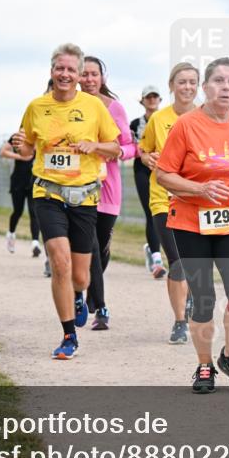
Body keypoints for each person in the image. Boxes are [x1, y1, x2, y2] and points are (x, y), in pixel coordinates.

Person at [156, 57, 229, 394]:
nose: (225, 87)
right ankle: (204, 366)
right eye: (218, 80)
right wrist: (199, 189)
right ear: (205, 87)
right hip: (191, 223)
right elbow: (163, 174)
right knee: (203, 298)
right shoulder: (186, 125)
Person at [12, 42, 121, 360]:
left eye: (71, 69)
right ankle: (69, 335)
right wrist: (20, 144)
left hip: (84, 196)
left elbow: (115, 148)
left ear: (79, 75)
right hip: (48, 193)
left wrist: (94, 146)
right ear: (51, 71)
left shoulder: (93, 106)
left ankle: (78, 294)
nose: (65, 74)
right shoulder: (36, 107)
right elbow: (27, 151)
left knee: (81, 276)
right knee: (60, 262)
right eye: (59, 68)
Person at [140, 62, 200, 344]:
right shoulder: (158, 119)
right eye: (182, 82)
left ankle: (191, 298)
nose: (187, 87)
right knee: (177, 261)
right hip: (163, 199)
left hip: (196, 200)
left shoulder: (206, 117)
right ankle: (179, 322)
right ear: (171, 86)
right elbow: (144, 149)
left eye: (192, 82)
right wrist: (146, 157)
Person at [80, 55, 137, 330]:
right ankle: (100, 307)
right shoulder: (70, 106)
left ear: (102, 78)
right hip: (79, 187)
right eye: (84, 74)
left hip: (108, 187)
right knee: (89, 247)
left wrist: (114, 152)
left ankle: (89, 293)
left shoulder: (114, 107)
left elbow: (130, 146)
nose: (89, 79)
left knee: (101, 249)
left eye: (94, 74)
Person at [131, 85, 164, 274]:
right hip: (143, 170)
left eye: (155, 96)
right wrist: (143, 153)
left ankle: (158, 251)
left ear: (160, 99)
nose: (152, 100)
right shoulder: (135, 124)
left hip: (164, 169)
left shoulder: (166, 119)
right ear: (142, 101)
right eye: (148, 97)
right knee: (151, 212)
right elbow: (130, 146)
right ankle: (157, 260)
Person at [1, 134, 42, 256]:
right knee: (18, 211)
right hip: (18, 181)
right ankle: (11, 234)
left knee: (34, 212)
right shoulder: (17, 136)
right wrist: (20, 156)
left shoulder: (38, 136)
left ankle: (35, 243)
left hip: (33, 180)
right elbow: (3, 152)